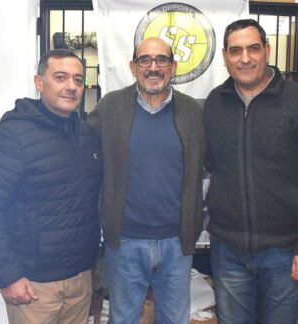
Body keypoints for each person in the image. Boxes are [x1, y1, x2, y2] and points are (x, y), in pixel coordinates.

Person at [204, 19, 298, 324]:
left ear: (267, 51)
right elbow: (210, 165)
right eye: (235, 50)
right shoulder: (214, 105)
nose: (245, 58)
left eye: (253, 48)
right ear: (224, 56)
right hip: (228, 251)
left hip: (284, 253)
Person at [0, 49, 102, 324]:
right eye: (61, 77)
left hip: (80, 281)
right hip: (34, 288)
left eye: (78, 80)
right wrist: (8, 277)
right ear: (39, 82)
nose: (71, 86)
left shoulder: (89, 136)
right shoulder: (11, 137)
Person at [88, 37, 205, 323]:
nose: (154, 67)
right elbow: (82, 158)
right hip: (125, 242)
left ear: (173, 66)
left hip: (177, 244)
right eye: (145, 60)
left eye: (161, 60)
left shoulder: (194, 112)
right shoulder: (109, 108)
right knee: (123, 318)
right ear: (133, 66)